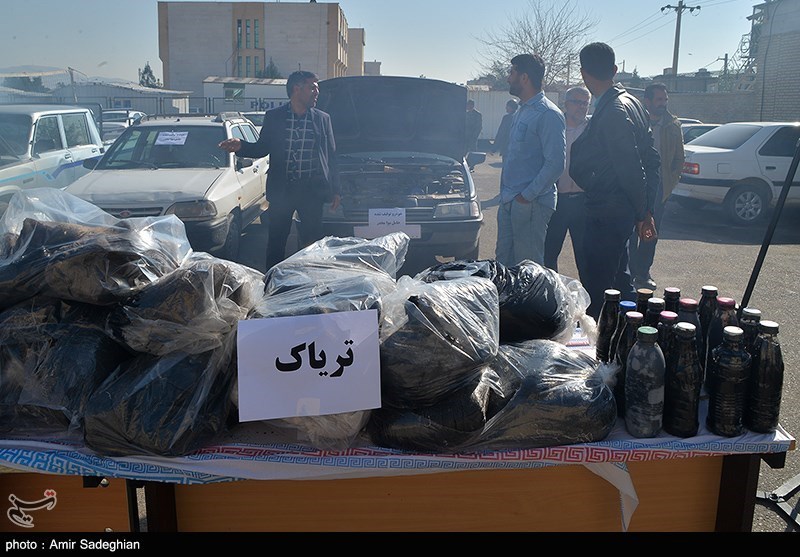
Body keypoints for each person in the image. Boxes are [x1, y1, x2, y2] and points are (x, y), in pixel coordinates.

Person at [569, 42, 661, 319]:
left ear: (583, 73)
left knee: (599, 288)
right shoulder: (631, 103)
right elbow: (651, 160)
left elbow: (631, 167)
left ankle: (603, 346)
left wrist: (644, 212)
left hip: (609, 210)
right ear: (615, 69)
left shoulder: (613, 111)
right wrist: (644, 209)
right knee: (620, 280)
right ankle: (628, 338)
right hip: (620, 209)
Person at [219, 70, 339, 271]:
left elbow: (331, 156)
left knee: (313, 242)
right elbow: (262, 147)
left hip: (312, 192)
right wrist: (242, 146)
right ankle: (272, 285)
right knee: (276, 241)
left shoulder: (322, 119)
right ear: (296, 89)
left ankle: (313, 282)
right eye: (312, 87)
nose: (316, 92)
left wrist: (336, 190)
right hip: (283, 190)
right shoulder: (274, 117)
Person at [494, 53, 566, 268]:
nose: (508, 78)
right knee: (504, 266)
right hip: (511, 199)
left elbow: (555, 164)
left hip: (531, 204)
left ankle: (532, 304)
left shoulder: (548, 114)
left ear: (524, 78)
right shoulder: (521, 110)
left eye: (512, 72)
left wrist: (526, 196)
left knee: (527, 270)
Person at [628, 82, 685, 290]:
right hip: (634, 185)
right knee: (630, 232)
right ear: (648, 101)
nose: (663, 104)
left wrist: (669, 185)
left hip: (658, 189)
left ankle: (643, 273)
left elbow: (679, 158)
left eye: (665, 100)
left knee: (650, 232)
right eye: (659, 99)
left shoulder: (673, 125)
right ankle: (630, 273)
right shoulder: (634, 121)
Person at [543, 86, 591, 276]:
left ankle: (591, 299)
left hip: (583, 202)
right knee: (549, 252)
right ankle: (551, 295)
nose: (581, 107)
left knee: (585, 254)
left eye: (585, 103)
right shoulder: (555, 127)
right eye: (577, 102)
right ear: (566, 103)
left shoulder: (592, 129)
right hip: (557, 201)